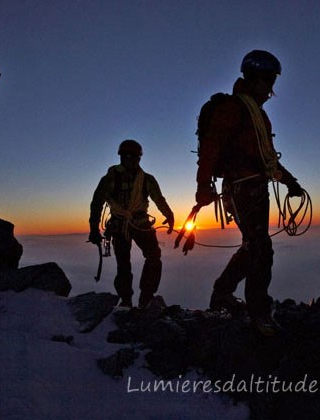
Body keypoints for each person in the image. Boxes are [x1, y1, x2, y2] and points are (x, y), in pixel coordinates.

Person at [195, 50, 303, 336]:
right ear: (254, 78)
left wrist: (290, 182)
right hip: (242, 188)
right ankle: (259, 314)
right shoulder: (233, 108)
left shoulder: (257, 115)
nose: (271, 88)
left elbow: (266, 158)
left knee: (252, 245)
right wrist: (202, 186)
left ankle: (222, 294)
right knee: (260, 248)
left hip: (254, 186)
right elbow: (211, 147)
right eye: (268, 80)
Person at [89, 139, 174, 309]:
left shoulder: (114, 179)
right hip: (133, 224)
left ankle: (135, 299)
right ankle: (139, 299)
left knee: (133, 262)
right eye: (128, 157)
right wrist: (169, 216)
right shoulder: (137, 179)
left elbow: (97, 203)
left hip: (126, 224)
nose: (130, 160)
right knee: (145, 259)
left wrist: (94, 229)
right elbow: (97, 203)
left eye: (132, 157)